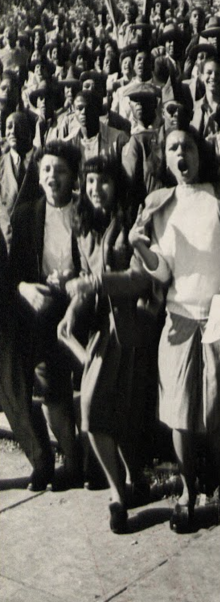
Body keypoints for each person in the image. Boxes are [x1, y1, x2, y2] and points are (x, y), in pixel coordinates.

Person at [128, 127, 220, 531]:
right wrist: (140, 245)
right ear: (164, 158)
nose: (181, 154)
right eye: (173, 148)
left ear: (201, 153)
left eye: (188, 147)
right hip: (178, 318)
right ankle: (188, 492)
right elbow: (163, 270)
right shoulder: (159, 204)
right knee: (180, 414)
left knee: (216, 414)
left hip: (216, 315)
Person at [58, 156, 152, 533]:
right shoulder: (84, 227)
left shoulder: (133, 222)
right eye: (90, 181)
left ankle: (122, 493)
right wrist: (71, 312)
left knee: (97, 413)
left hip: (132, 327)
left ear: (119, 184)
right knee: (101, 414)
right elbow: (84, 278)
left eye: (105, 181)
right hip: (101, 330)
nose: (97, 189)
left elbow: (140, 279)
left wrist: (93, 285)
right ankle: (128, 487)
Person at [7, 141, 82, 490]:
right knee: (42, 382)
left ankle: (79, 460)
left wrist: (75, 282)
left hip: (81, 304)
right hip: (41, 307)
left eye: (61, 170)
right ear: (38, 176)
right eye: (47, 169)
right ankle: (59, 460)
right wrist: (24, 287)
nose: (53, 176)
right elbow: (13, 273)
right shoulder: (25, 216)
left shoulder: (85, 212)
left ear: (74, 177)